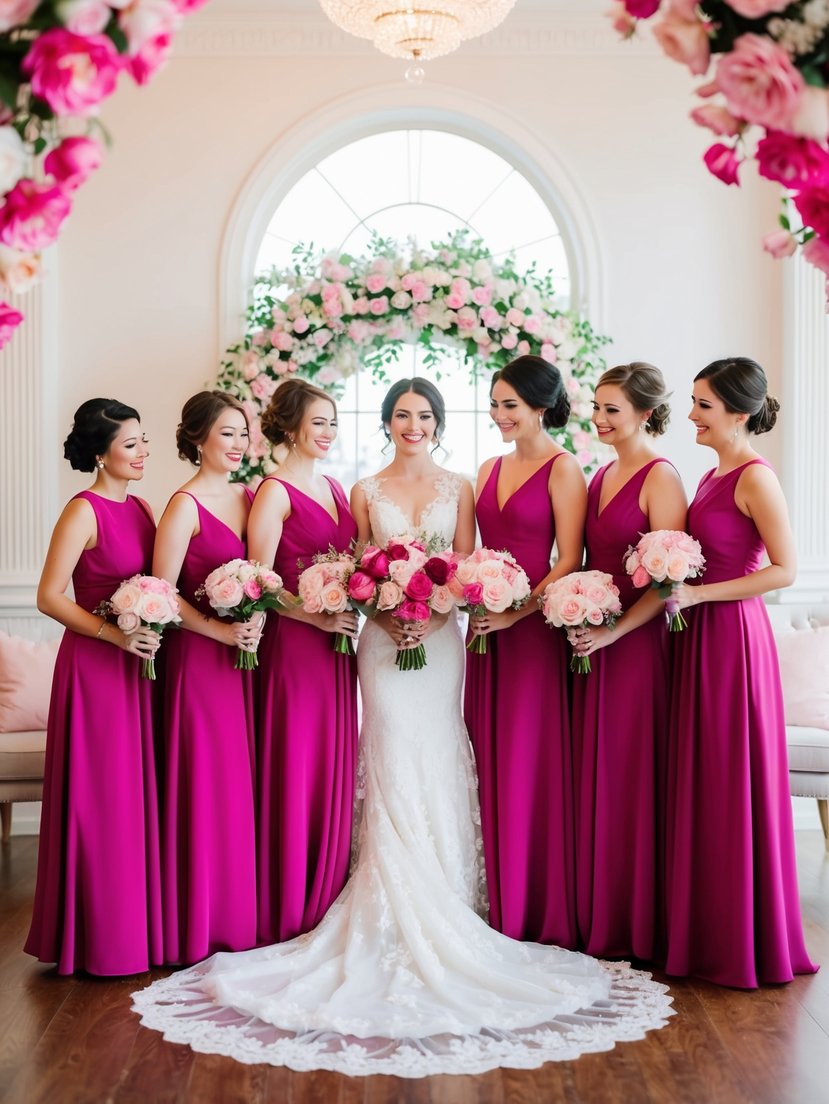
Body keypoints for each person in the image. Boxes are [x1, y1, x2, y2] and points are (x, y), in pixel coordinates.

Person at [132, 378, 671, 1078]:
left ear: (438, 423)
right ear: (385, 422)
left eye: (422, 415)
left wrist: (438, 609)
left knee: (438, 747)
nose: (410, 424)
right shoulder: (360, 490)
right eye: (399, 415)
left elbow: (471, 566)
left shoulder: (463, 483)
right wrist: (383, 610)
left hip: (442, 639)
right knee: (386, 747)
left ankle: (451, 894)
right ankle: (381, 893)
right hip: (382, 643)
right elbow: (356, 567)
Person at [663, 357, 817, 987]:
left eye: (703, 404)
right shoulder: (710, 473)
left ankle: (747, 938)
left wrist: (700, 596)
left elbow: (785, 571)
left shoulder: (755, 477)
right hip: (698, 633)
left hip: (733, 637)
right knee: (703, 775)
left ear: (738, 411)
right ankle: (706, 930)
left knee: (732, 775)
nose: (693, 415)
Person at [25, 398, 162, 975]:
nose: (142, 452)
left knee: (132, 799)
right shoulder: (83, 511)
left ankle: (135, 932)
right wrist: (112, 634)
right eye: (130, 444)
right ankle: (96, 940)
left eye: (143, 441)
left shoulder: (144, 508)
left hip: (140, 664)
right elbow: (49, 595)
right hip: (95, 667)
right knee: (101, 800)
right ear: (100, 453)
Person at [465, 355, 587, 945]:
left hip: (533, 631)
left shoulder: (565, 470)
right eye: (494, 404)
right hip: (484, 630)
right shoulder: (486, 469)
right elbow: (474, 550)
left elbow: (569, 557)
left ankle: (533, 903)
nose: (499, 415)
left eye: (509, 405)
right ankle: (489, 896)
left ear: (541, 405)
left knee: (526, 758)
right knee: (481, 752)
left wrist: (517, 610)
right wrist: (473, 597)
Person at [568, 363, 687, 960]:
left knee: (633, 775)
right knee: (601, 773)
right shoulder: (601, 475)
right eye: (596, 406)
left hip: (637, 646)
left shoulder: (660, 477)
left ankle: (639, 922)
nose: (600, 418)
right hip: (595, 639)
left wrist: (616, 631)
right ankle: (603, 915)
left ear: (645, 412)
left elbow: (671, 580)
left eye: (612, 409)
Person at [247, 378, 358, 944]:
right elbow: (258, 582)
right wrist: (314, 616)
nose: (328, 432)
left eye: (332, 422)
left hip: (337, 648)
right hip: (294, 648)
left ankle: (327, 889)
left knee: (331, 762)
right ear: (289, 426)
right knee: (296, 763)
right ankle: (288, 901)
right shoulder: (273, 491)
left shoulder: (337, 489)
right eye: (318, 422)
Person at [152, 391, 260, 963]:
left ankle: (236, 916)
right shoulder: (184, 505)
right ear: (198, 439)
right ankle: (195, 924)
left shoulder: (248, 497)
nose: (240, 444)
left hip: (243, 659)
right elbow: (161, 593)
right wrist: (218, 632)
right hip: (199, 661)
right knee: (205, 784)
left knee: (236, 787)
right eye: (228, 433)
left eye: (244, 433)